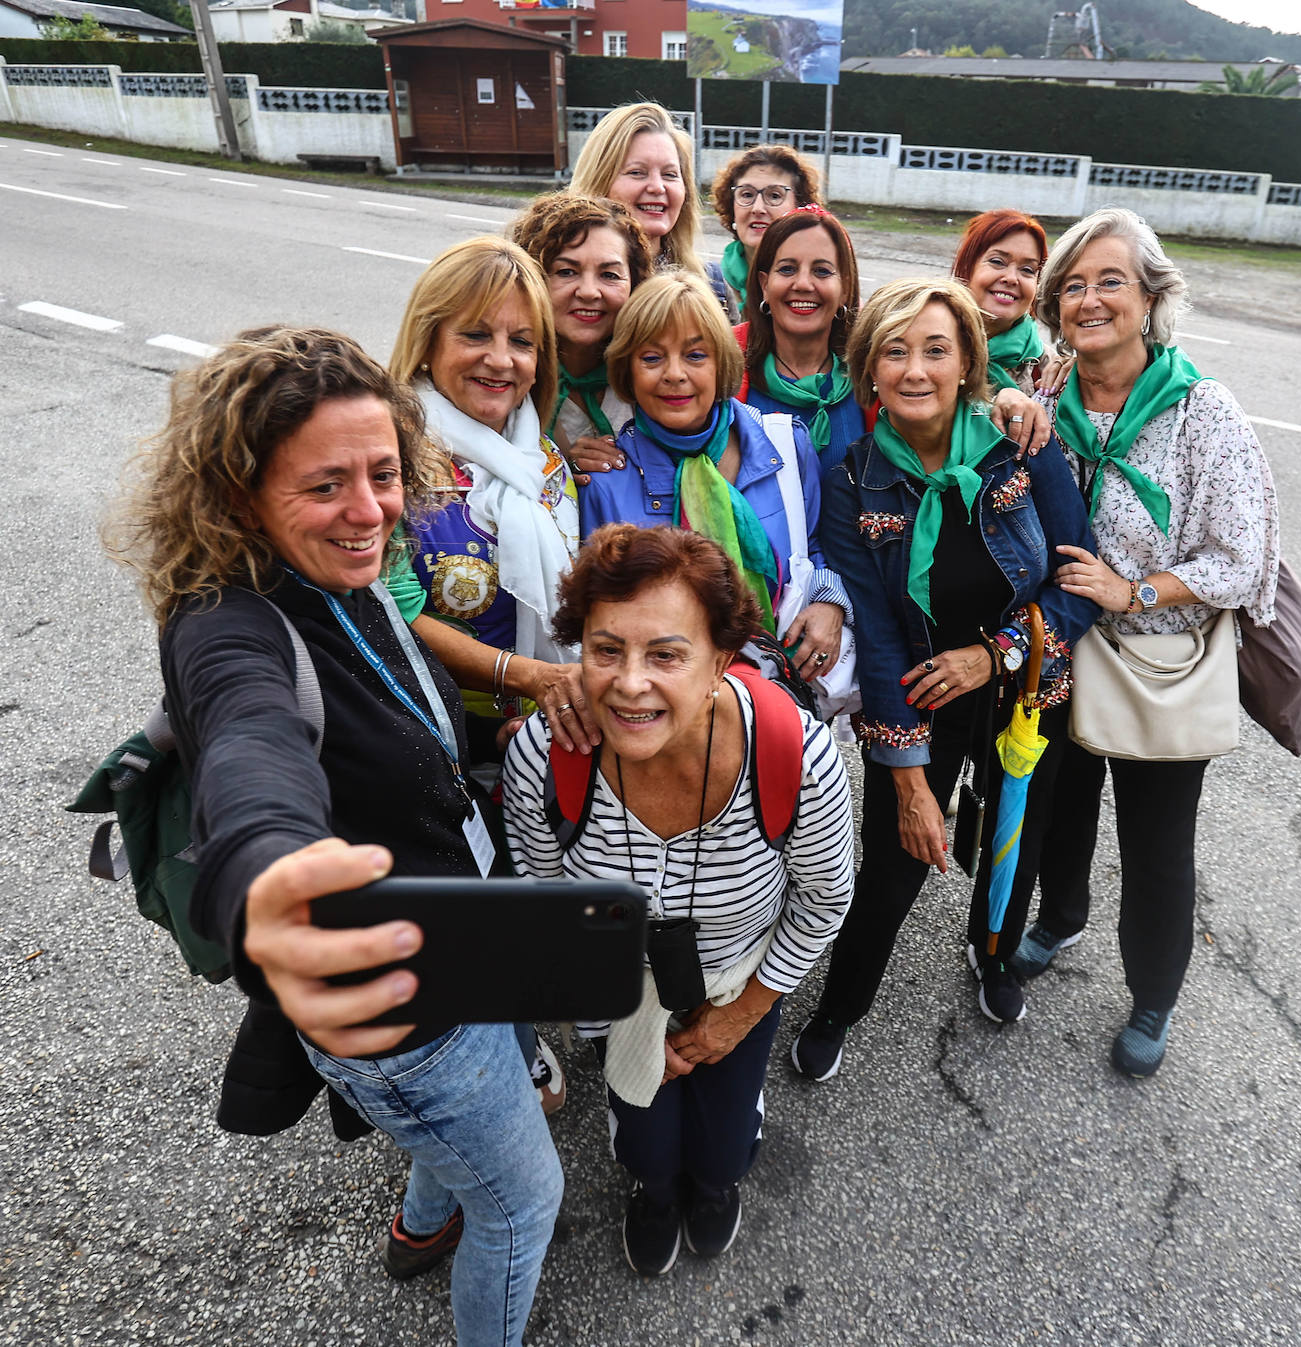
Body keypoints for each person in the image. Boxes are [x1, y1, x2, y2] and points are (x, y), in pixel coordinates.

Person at [110, 326, 563, 1345]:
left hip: (462, 924)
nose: (369, 513)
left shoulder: (352, 573)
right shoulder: (228, 624)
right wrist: (273, 876)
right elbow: (248, 748)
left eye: (384, 474)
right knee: (525, 1200)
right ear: (238, 496)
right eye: (324, 488)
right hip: (402, 995)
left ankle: (418, 1223)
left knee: (468, 1142)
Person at [502, 523, 854, 1275]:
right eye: (606, 650)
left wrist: (741, 1014)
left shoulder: (793, 752)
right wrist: (601, 1018)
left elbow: (824, 900)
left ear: (721, 660)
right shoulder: (547, 752)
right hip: (619, 985)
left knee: (725, 1149)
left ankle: (718, 1182)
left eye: (666, 653)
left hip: (740, 978)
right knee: (645, 1142)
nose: (630, 683)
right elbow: (546, 904)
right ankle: (654, 1191)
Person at [790, 278, 1100, 1081]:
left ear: (969, 361)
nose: (916, 368)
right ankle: (840, 1004)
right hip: (919, 706)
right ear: (869, 370)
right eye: (895, 350)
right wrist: (909, 782)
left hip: (1024, 689)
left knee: (1014, 845)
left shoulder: (1024, 449)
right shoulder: (853, 482)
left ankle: (993, 952)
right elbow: (883, 639)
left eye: (936, 348)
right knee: (892, 867)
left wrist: (993, 655)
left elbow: (1079, 582)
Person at [1012, 207, 1280, 1078]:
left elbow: (1243, 558)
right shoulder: (1048, 391)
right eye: (1073, 286)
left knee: (1158, 841)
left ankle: (1152, 993)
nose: (1089, 300)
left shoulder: (1202, 409)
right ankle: (1061, 917)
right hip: (1064, 649)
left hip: (1160, 659)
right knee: (1058, 807)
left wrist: (1134, 591)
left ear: (1152, 296)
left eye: (1110, 281)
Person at [580, 269, 852, 683]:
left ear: (722, 362)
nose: (674, 374)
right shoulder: (601, 479)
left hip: (783, 692)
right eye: (651, 357)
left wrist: (830, 602)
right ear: (627, 372)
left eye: (695, 355)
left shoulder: (786, 443)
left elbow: (816, 544)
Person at [385, 236, 595, 770]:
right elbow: (392, 615)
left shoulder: (544, 457)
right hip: (435, 738)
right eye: (476, 334)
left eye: (522, 341)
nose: (500, 360)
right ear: (427, 341)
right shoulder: (388, 455)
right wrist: (527, 677)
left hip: (549, 732)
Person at [508, 192, 651, 484]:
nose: (588, 291)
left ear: (635, 284)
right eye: (567, 271)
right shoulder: (504, 376)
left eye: (610, 275)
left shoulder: (653, 372)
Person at [735, 206, 865, 475]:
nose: (804, 284)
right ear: (764, 285)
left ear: (846, 288)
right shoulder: (722, 362)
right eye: (787, 269)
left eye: (822, 271)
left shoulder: (873, 372)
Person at [568, 102, 730, 311]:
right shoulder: (560, 285)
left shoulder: (712, 286)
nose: (657, 187)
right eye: (637, 172)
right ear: (599, 182)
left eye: (670, 174)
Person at [710, 143, 823, 311]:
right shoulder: (709, 285)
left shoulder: (821, 286)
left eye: (775, 195)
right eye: (747, 194)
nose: (757, 208)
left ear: (799, 207)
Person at [951, 208, 1050, 394]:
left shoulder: (1048, 370)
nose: (1012, 278)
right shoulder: (925, 347)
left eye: (1028, 270)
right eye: (997, 261)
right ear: (967, 267)